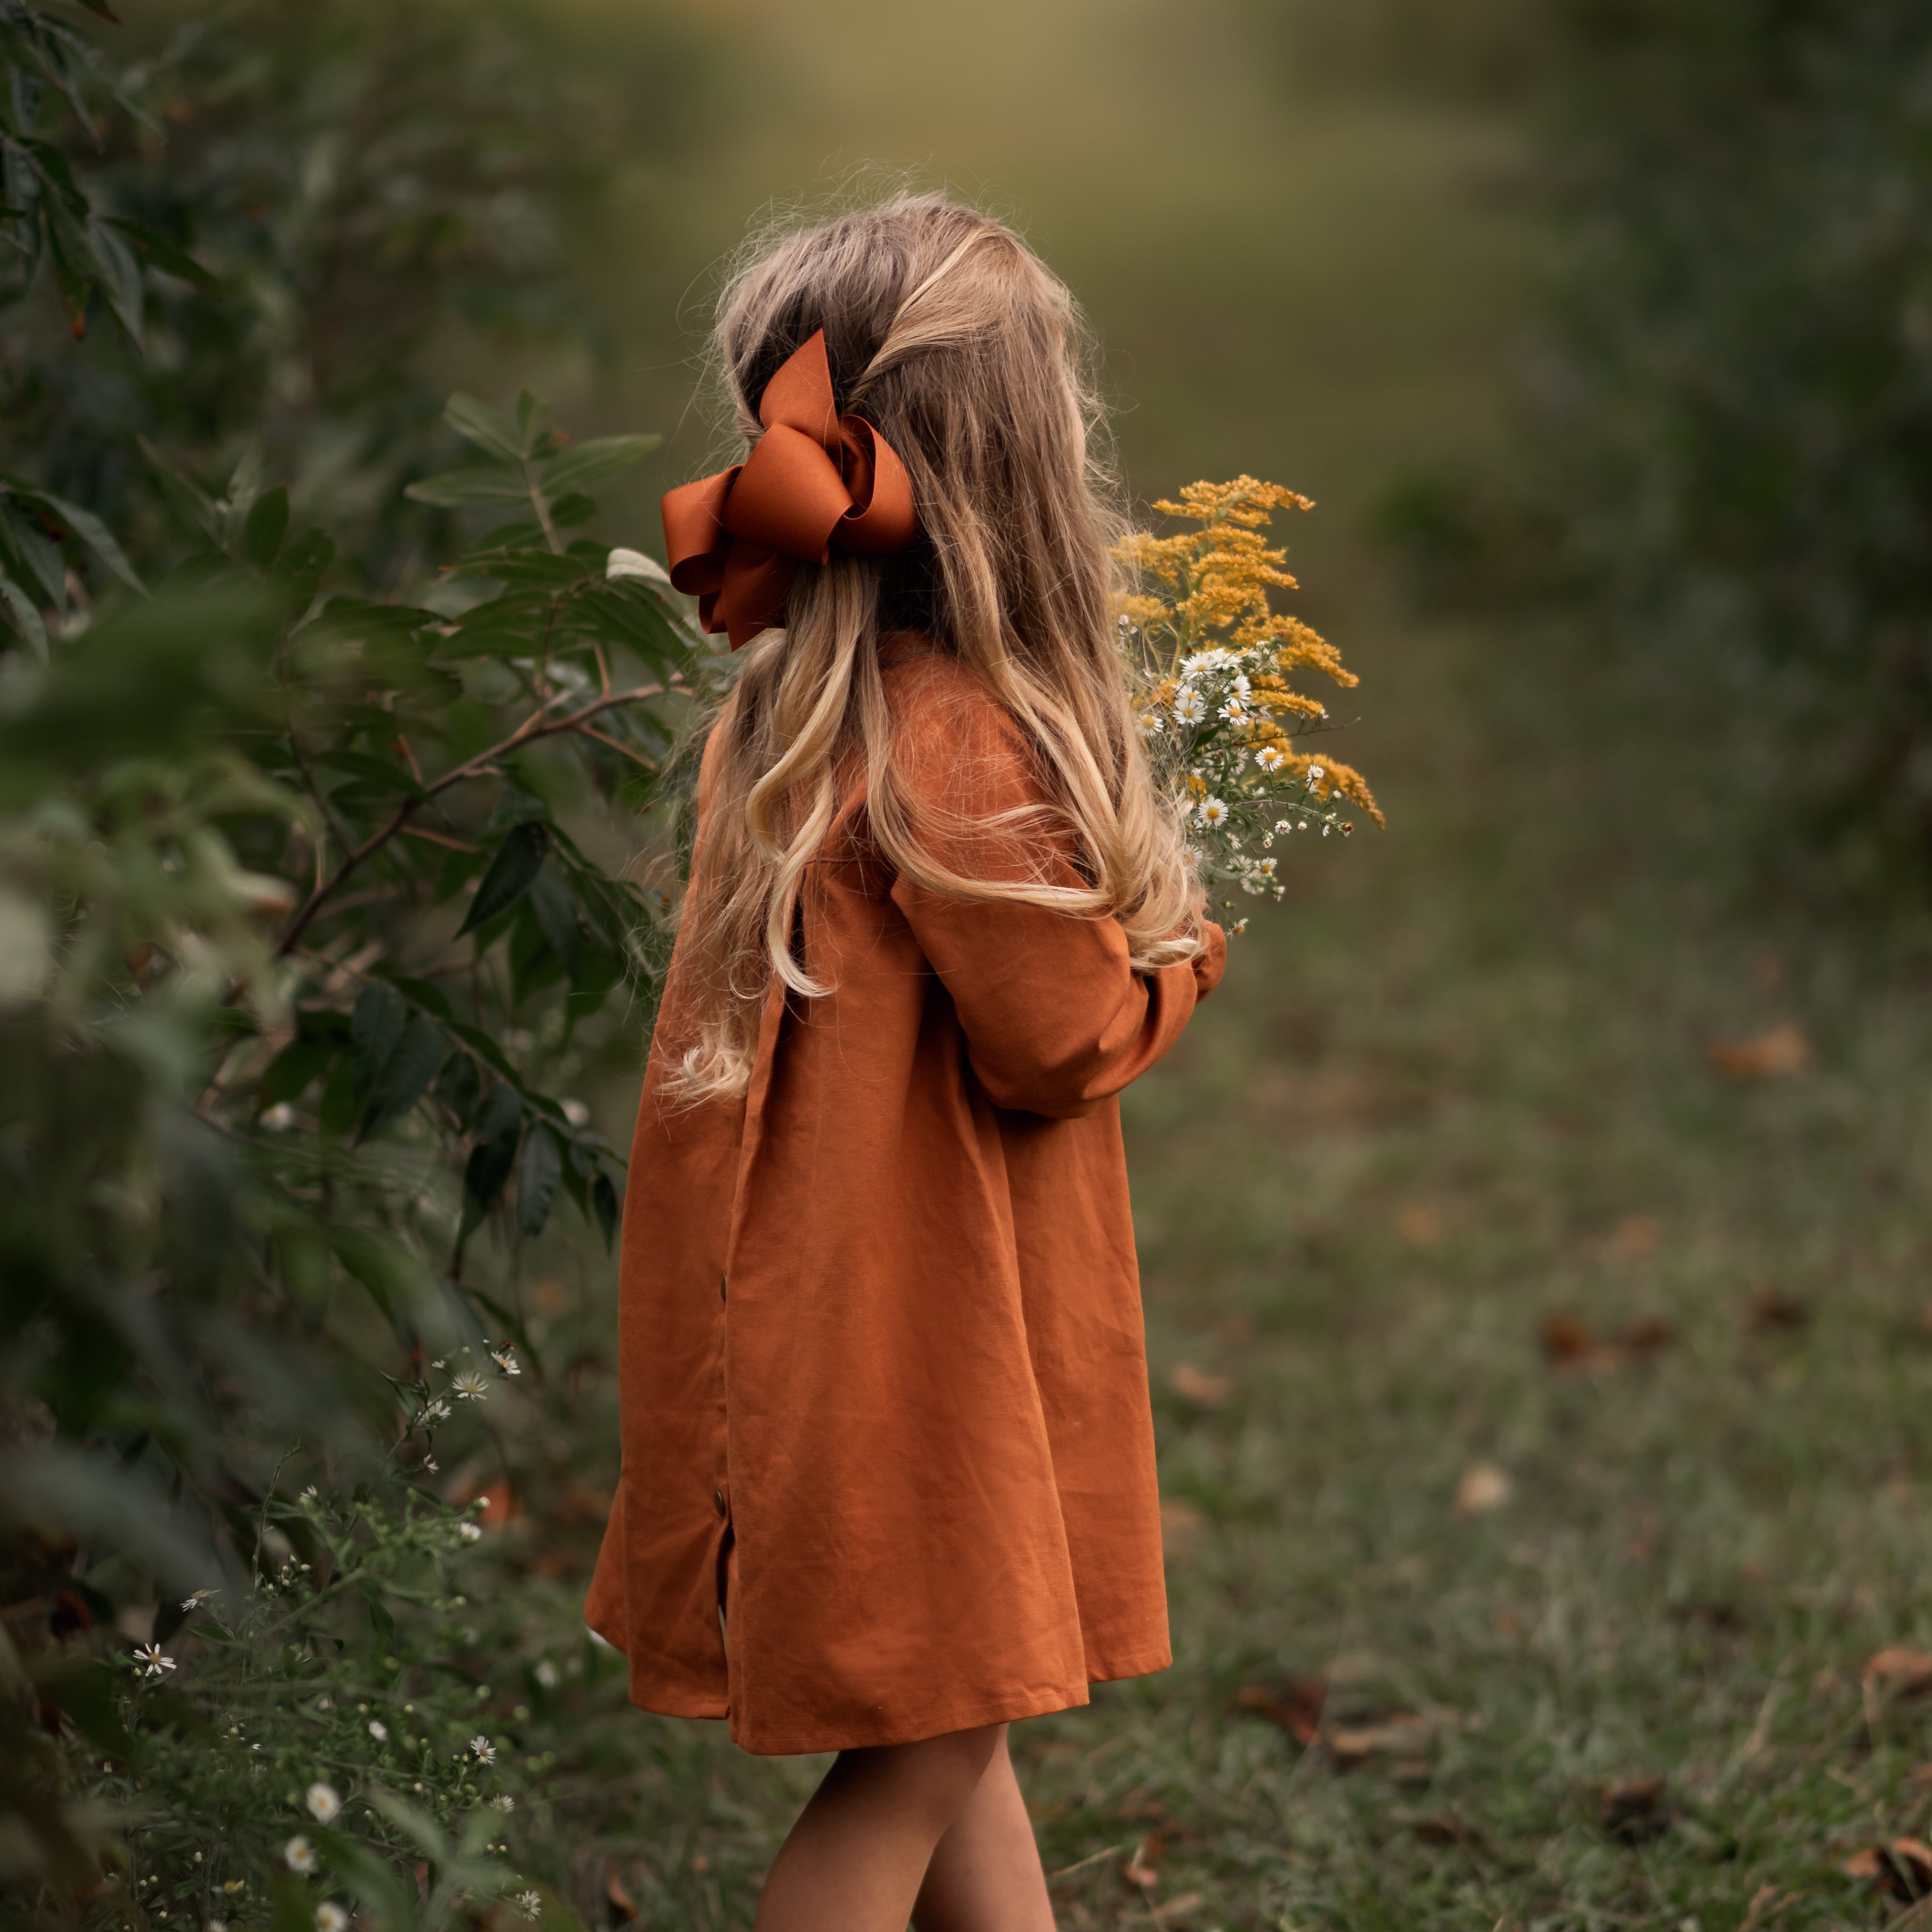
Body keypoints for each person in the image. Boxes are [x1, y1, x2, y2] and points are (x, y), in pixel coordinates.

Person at [585, 192, 1227, 1932]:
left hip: (818, 1313)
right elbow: (1058, 1039)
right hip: (909, 1350)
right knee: (924, 1758)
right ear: (1025, 464)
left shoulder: (791, 712)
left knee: (967, 1727)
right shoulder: (964, 736)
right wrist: (1178, 961)